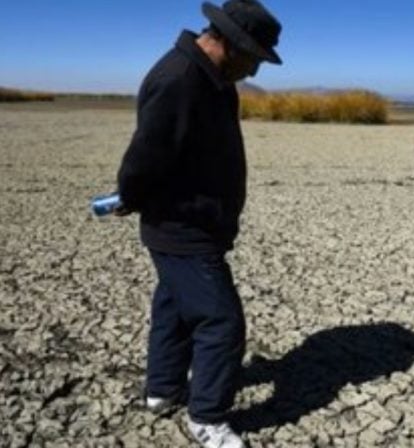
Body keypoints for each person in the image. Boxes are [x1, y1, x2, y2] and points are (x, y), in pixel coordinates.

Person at [114, 1, 282, 447]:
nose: (255, 72)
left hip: (195, 222)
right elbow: (145, 156)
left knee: (174, 305)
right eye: (254, 59)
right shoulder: (181, 80)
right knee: (221, 321)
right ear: (227, 42)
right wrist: (131, 196)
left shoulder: (213, 81)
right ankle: (206, 417)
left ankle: (163, 390)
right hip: (181, 226)